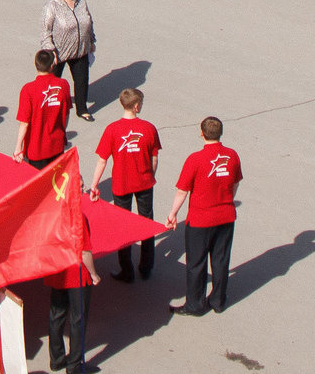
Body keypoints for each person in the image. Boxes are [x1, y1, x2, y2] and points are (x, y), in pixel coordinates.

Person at [171, 116, 240, 315]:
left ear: (201, 133)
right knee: (220, 260)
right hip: (225, 217)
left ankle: (195, 304)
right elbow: (235, 183)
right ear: (220, 134)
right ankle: (218, 301)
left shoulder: (195, 159)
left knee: (196, 263)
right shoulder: (232, 156)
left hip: (200, 221)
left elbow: (182, 191)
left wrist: (173, 213)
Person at [94, 89, 160, 282]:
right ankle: (146, 267)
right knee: (146, 223)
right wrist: (150, 175)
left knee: (122, 226)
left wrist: (95, 184)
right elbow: (154, 158)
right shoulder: (149, 128)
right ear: (137, 106)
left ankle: (126, 269)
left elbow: (102, 160)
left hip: (121, 184)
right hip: (144, 183)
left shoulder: (112, 129)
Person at [39, 0, 96, 119]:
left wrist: (91, 41)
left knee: (82, 80)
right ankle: (48, 109)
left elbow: (89, 22)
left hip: (79, 49)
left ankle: (82, 109)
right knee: (52, 83)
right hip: (59, 52)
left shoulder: (81, 1)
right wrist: (51, 52)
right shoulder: (52, 5)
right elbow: (45, 31)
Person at [14, 51, 72, 168]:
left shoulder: (28, 90)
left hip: (36, 149)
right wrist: (62, 132)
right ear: (52, 65)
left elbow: (24, 123)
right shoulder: (63, 85)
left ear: (36, 65)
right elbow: (66, 114)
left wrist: (18, 147)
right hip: (56, 145)